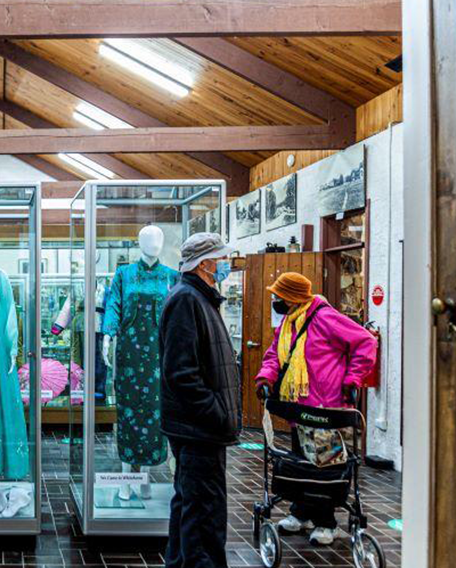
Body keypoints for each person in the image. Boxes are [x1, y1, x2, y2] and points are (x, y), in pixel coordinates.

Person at [254, 271, 377, 545]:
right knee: (302, 463)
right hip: (299, 407)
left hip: (326, 408)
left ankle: (326, 522)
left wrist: (353, 378)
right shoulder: (289, 322)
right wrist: (265, 376)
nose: (275, 300)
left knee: (324, 466)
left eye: (279, 296)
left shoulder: (325, 317)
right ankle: (301, 513)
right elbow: (275, 354)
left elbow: (366, 342)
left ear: (292, 297)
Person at [159, 232, 242, 568]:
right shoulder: (186, 300)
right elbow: (181, 372)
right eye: (221, 258)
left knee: (191, 506)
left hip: (199, 427)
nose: (226, 263)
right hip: (198, 428)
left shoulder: (200, 298)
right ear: (205, 263)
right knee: (203, 513)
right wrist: (217, 413)